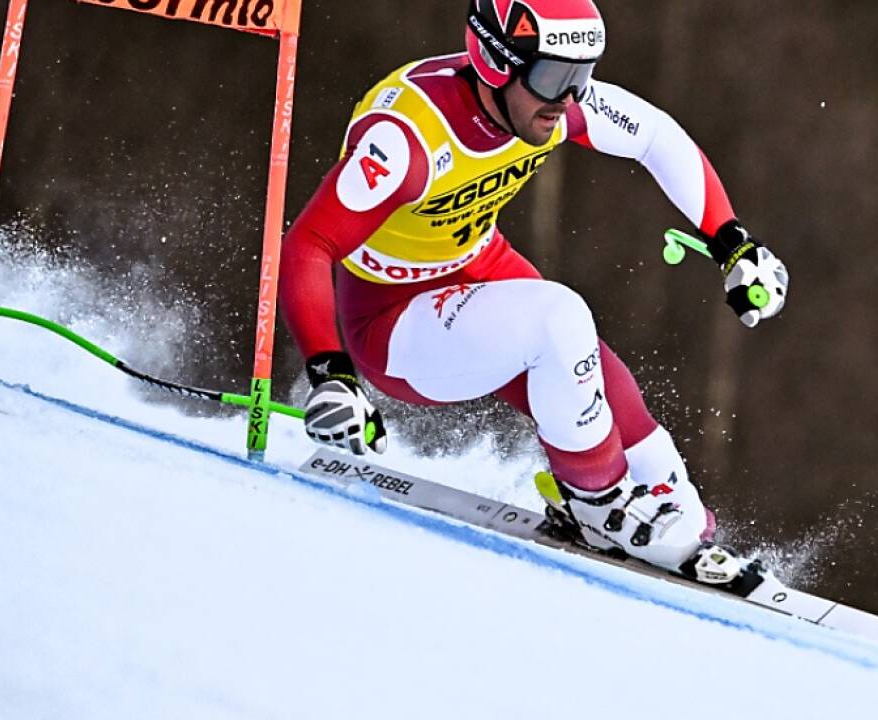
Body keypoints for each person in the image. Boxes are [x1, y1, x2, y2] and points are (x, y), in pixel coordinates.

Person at [280, 0, 789, 583]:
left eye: (581, 75)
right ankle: (598, 504)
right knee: (558, 318)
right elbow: (309, 244)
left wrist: (732, 243)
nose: (568, 98)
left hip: (477, 268)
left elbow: (655, 136)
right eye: (553, 76)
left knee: (627, 422)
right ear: (494, 63)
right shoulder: (408, 139)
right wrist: (331, 374)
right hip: (393, 320)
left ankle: (678, 526)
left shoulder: (546, 103)